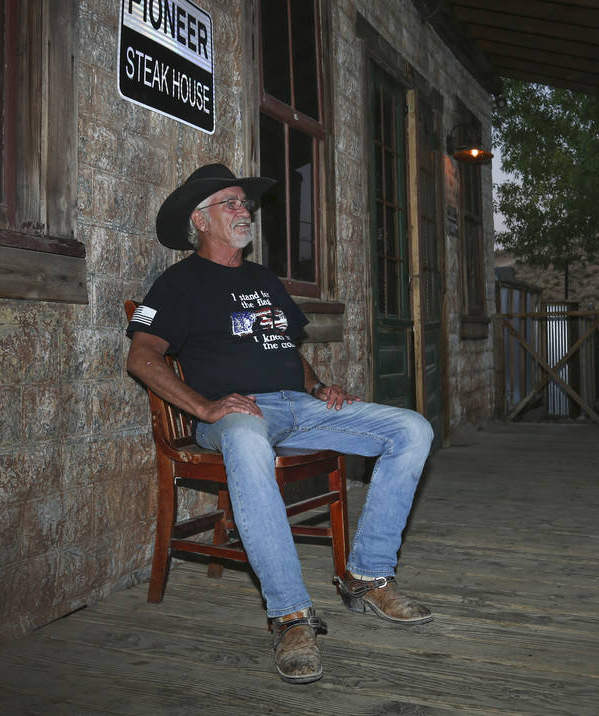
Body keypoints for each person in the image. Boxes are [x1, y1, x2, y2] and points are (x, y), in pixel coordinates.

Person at [126, 164, 434, 684]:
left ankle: (366, 575)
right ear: (200, 220)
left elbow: (282, 346)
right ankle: (290, 615)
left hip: (299, 406)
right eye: (230, 202)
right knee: (247, 442)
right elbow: (142, 356)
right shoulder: (178, 284)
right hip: (237, 416)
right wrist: (204, 408)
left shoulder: (263, 278)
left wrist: (317, 387)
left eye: (244, 203)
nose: (243, 210)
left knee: (412, 428)